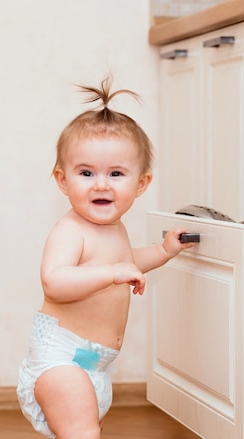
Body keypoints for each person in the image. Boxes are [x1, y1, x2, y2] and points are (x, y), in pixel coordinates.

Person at [16, 75, 195, 439]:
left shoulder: (115, 228)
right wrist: (112, 271)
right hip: (60, 360)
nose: (101, 184)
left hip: (95, 366)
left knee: (87, 431)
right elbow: (55, 281)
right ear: (63, 180)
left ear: (140, 184)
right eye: (86, 173)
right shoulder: (71, 230)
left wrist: (162, 251)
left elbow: (128, 262)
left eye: (116, 173)